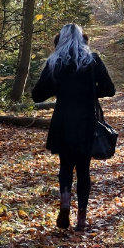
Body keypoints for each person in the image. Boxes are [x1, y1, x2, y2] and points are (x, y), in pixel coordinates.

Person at [31, 23, 116, 231]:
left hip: (63, 123)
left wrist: (60, 89)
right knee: (84, 170)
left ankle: (65, 203)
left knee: (65, 167)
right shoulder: (93, 60)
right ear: (83, 39)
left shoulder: (55, 62)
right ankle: (81, 219)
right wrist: (88, 93)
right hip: (87, 122)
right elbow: (109, 89)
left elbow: (37, 95)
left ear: (60, 40)